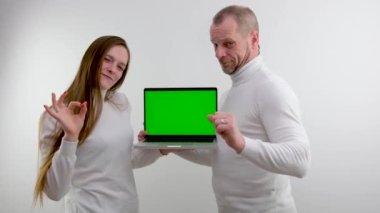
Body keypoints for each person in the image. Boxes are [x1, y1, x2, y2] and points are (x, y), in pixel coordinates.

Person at [142, 5, 311, 213]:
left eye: (228, 44)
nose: (219, 53)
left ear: (254, 39)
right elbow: (220, 156)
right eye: (215, 45)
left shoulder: (272, 88)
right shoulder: (230, 94)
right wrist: (169, 144)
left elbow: (300, 161)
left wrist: (240, 142)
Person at [34, 35, 163, 213]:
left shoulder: (121, 103)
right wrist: (70, 137)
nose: (112, 70)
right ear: (92, 59)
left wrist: (160, 148)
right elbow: (55, 192)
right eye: (107, 60)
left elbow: (124, 159)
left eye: (120, 67)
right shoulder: (57, 116)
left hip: (128, 208)